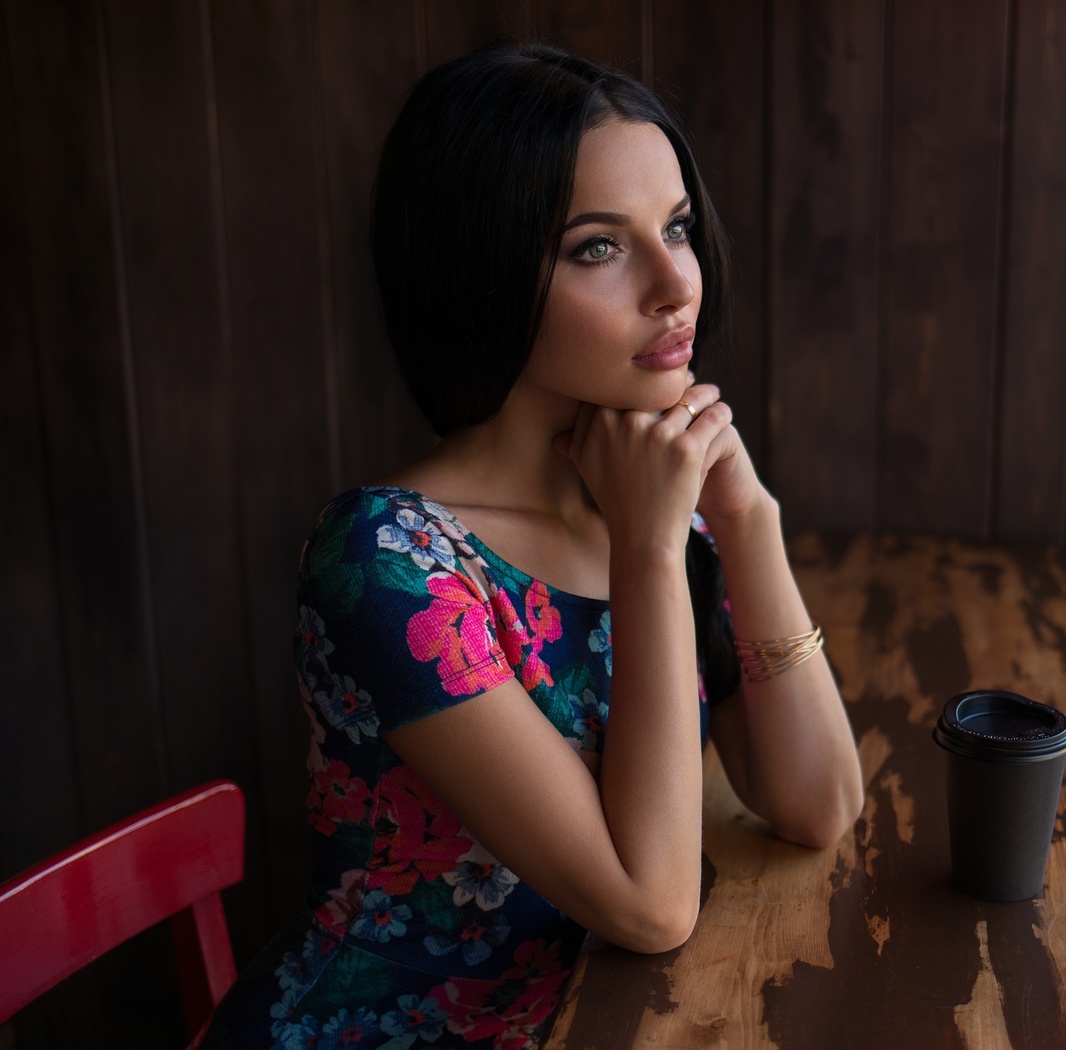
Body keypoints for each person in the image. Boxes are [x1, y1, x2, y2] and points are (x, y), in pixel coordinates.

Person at [201, 43, 864, 1049]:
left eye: (676, 228)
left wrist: (747, 517)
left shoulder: (661, 506)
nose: (674, 284)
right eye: (599, 246)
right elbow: (650, 909)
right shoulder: (385, 559)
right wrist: (649, 548)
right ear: (482, 268)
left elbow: (817, 803)